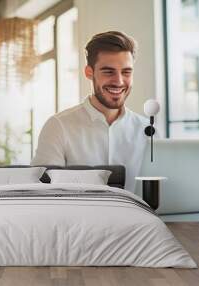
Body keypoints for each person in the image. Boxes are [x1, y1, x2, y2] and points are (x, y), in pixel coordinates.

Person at [31, 31, 155, 192]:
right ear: (89, 72)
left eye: (126, 72)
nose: (118, 81)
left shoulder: (148, 131)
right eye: (108, 72)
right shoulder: (58, 127)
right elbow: (42, 192)